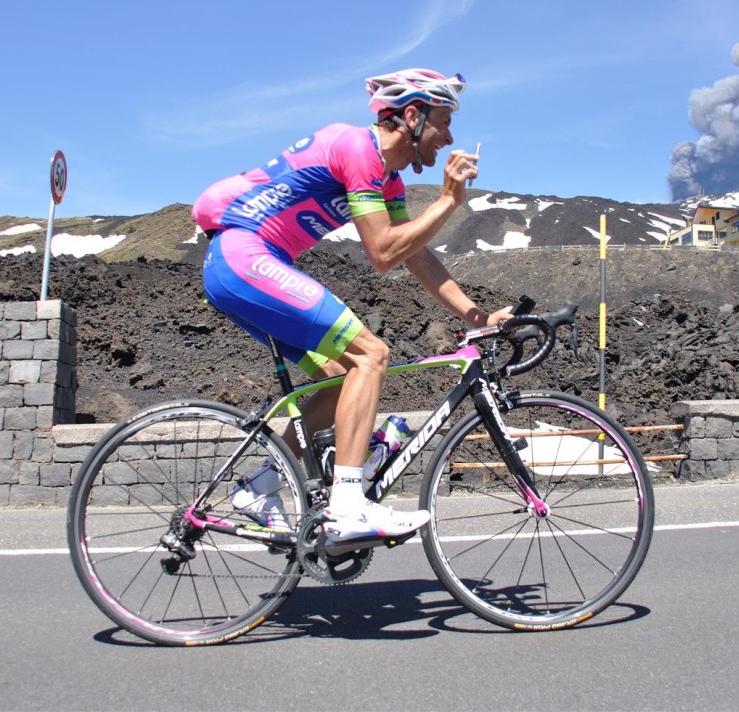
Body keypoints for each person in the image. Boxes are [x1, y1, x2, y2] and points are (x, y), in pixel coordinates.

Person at [192, 68, 515, 542]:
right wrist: (448, 200)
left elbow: (415, 255)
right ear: (411, 115)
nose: (448, 138)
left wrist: (477, 316)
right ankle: (347, 506)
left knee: (339, 380)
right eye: (443, 122)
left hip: (244, 267)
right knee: (372, 354)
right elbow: (383, 254)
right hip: (244, 258)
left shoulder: (388, 182)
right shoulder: (357, 148)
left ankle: (259, 486)